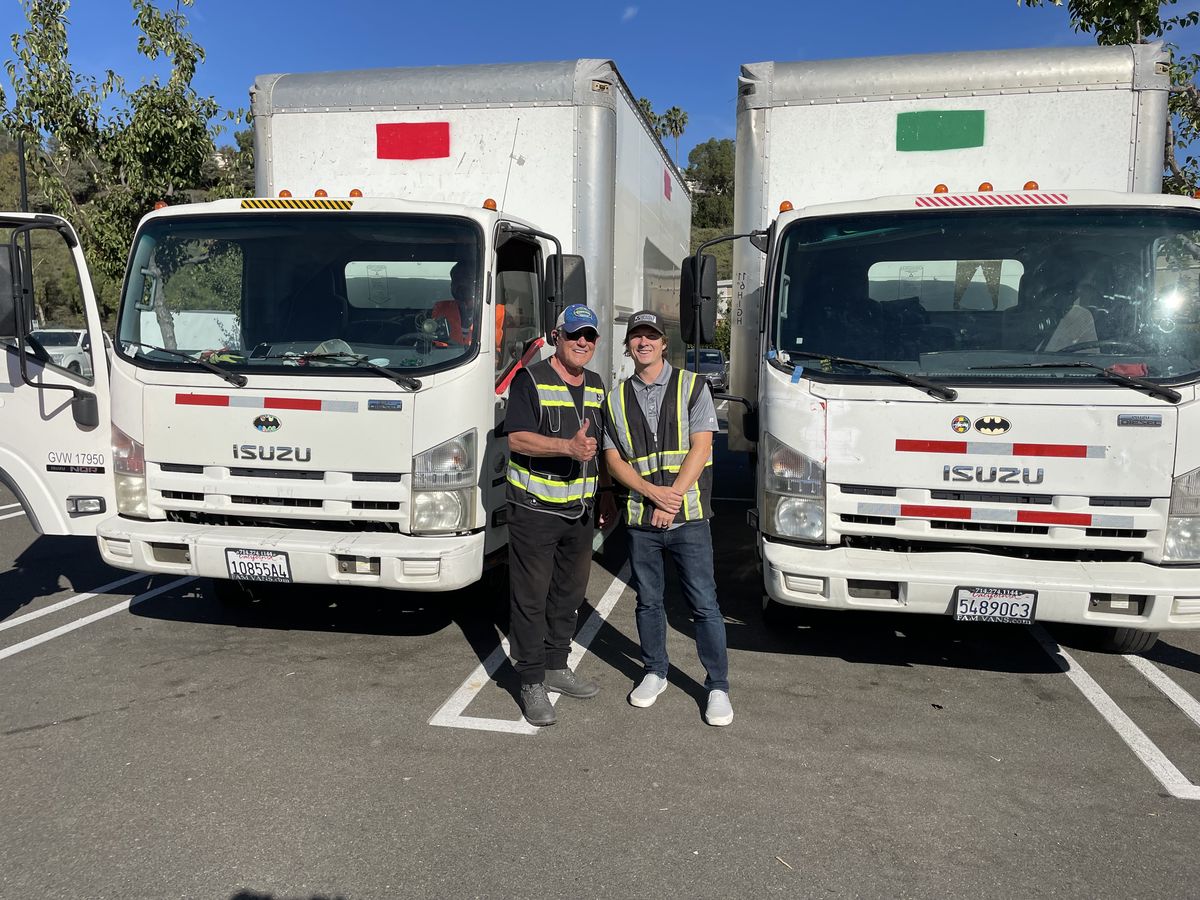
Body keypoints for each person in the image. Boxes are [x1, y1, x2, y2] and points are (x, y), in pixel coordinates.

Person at [602, 310, 731, 726]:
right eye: (636, 336)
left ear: (662, 343)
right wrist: (651, 494)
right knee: (648, 601)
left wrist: (669, 498)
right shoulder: (614, 399)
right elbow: (613, 460)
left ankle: (717, 686)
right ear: (628, 345)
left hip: (688, 517)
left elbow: (702, 447)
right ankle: (655, 671)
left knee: (704, 604)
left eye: (651, 336)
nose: (643, 342)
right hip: (642, 520)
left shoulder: (693, 386)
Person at [503, 303, 615, 726]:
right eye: (574, 335)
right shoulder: (530, 379)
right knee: (531, 598)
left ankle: (556, 665)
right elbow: (517, 439)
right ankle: (531, 679)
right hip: (534, 509)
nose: (582, 342)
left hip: (580, 510)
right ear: (557, 337)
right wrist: (566, 447)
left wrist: (607, 493)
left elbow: (602, 446)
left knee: (569, 596)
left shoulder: (598, 385)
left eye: (589, 336)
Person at [431, 260, 505, 352]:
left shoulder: (497, 312)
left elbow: (503, 351)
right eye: (456, 280)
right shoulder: (441, 308)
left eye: (466, 279)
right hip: (448, 359)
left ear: (478, 284)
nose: (461, 283)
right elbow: (433, 344)